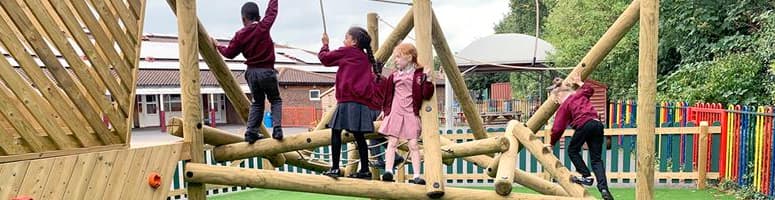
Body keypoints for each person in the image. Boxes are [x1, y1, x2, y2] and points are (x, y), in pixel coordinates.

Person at [211, 1, 283, 143]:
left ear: (243, 19)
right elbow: (272, 11)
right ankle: (277, 129)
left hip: (252, 74)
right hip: (267, 71)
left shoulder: (240, 35)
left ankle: (251, 132)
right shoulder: (263, 26)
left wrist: (218, 45)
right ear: (259, 16)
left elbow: (229, 53)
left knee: (257, 103)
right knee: (275, 100)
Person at [317, 27, 382, 179]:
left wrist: (325, 44)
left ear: (354, 42)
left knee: (335, 132)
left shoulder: (347, 52)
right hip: (361, 102)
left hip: (347, 100)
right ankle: (365, 169)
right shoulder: (365, 58)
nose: (343, 40)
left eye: (346, 38)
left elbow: (325, 58)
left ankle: (334, 168)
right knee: (359, 136)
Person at [548, 74, 614, 200]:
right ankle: (604, 189)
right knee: (596, 159)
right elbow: (589, 90)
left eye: (556, 100)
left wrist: (551, 143)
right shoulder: (579, 94)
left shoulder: (565, 104)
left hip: (584, 124)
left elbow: (557, 128)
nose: (558, 103)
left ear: (560, 95)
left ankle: (586, 176)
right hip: (597, 124)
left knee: (572, 150)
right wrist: (579, 82)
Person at [378, 43, 434, 185]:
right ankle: (389, 171)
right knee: (392, 142)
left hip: (410, 112)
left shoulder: (419, 75)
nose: (395, 60)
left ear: (409, 57)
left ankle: (416, 175)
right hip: (396, 111)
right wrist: (384, 111)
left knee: (414, 145)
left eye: (398, 57)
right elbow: (388, 95)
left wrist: (427, 79)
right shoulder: (394, 76)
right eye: (395, 57)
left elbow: (426, 95)